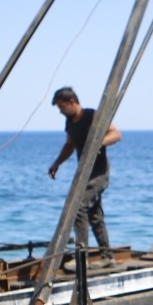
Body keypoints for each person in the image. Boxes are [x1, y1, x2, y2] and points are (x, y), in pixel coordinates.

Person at [48, 87, 121, 263]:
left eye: (62, 107)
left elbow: (116, 134)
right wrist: (57, 163)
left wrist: (99, 143)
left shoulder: (92, 116)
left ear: (72, 102)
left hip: (99, 173)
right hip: (84, 174)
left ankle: (82, 257)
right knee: (95, 215)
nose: (60, 111)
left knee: (78, 206)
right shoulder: (70, 122)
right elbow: (69, 145)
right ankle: (107, 256)